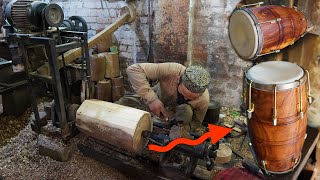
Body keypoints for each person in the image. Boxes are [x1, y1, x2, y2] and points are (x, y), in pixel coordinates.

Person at [117, 62, 210, 135]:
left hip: (173, 117)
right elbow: (133, 69)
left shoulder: (204, 100)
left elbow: (196, 122)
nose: (185, 98)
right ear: (178, 79)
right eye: (182, 94)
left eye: (190, 99)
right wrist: (152, 99)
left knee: (187, 111)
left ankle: (161, 127)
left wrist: (181, 129)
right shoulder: (173, 70)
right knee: (124, 103)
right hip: (154, 101)